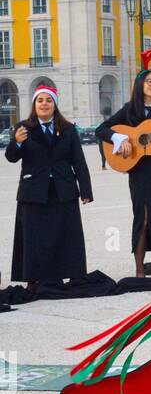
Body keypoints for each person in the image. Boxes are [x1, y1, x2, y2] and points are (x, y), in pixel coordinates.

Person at [96, 69, 151, 278]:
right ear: (140, 86)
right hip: (140, 171)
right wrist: (121, 139)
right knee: (143, 217)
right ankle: (139, 269)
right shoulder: (129, 110)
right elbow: (102, 129)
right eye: (150, 82)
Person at [5, 84, 92, 295]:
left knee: (67, 235)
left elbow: (78, 162)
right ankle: (33, 278)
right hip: (33, 191)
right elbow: (11, 157)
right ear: (34, 104)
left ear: (55, 105)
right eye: (40, 100)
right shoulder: (23, 127)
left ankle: (71, 272)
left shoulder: (69, 129)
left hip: (63, 189)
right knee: (34, 237)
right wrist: (16, 143)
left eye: (48, 100)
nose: (44, 104)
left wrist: (86, 191)